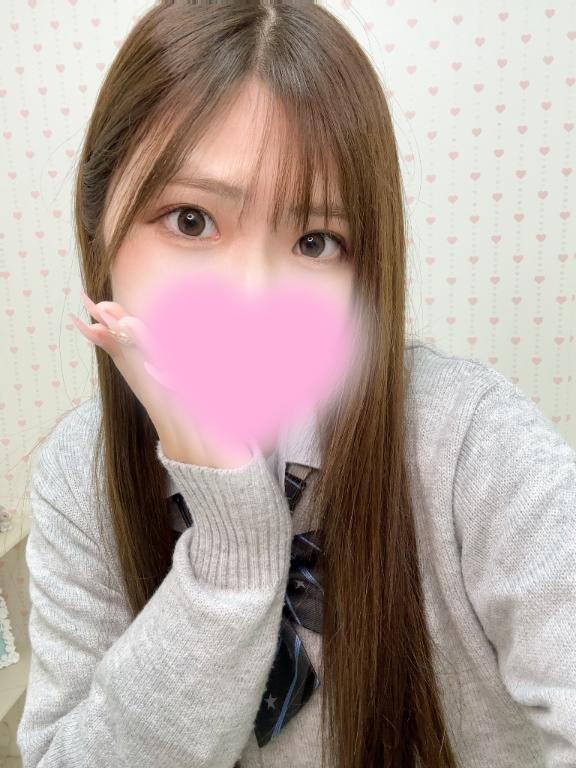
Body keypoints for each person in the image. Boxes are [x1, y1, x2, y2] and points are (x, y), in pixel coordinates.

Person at [16, 2, 576, 767]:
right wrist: (230, 548)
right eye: (190, 220)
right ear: (98, 225)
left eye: (315, 241)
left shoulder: (470, 441)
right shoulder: (79, 473)